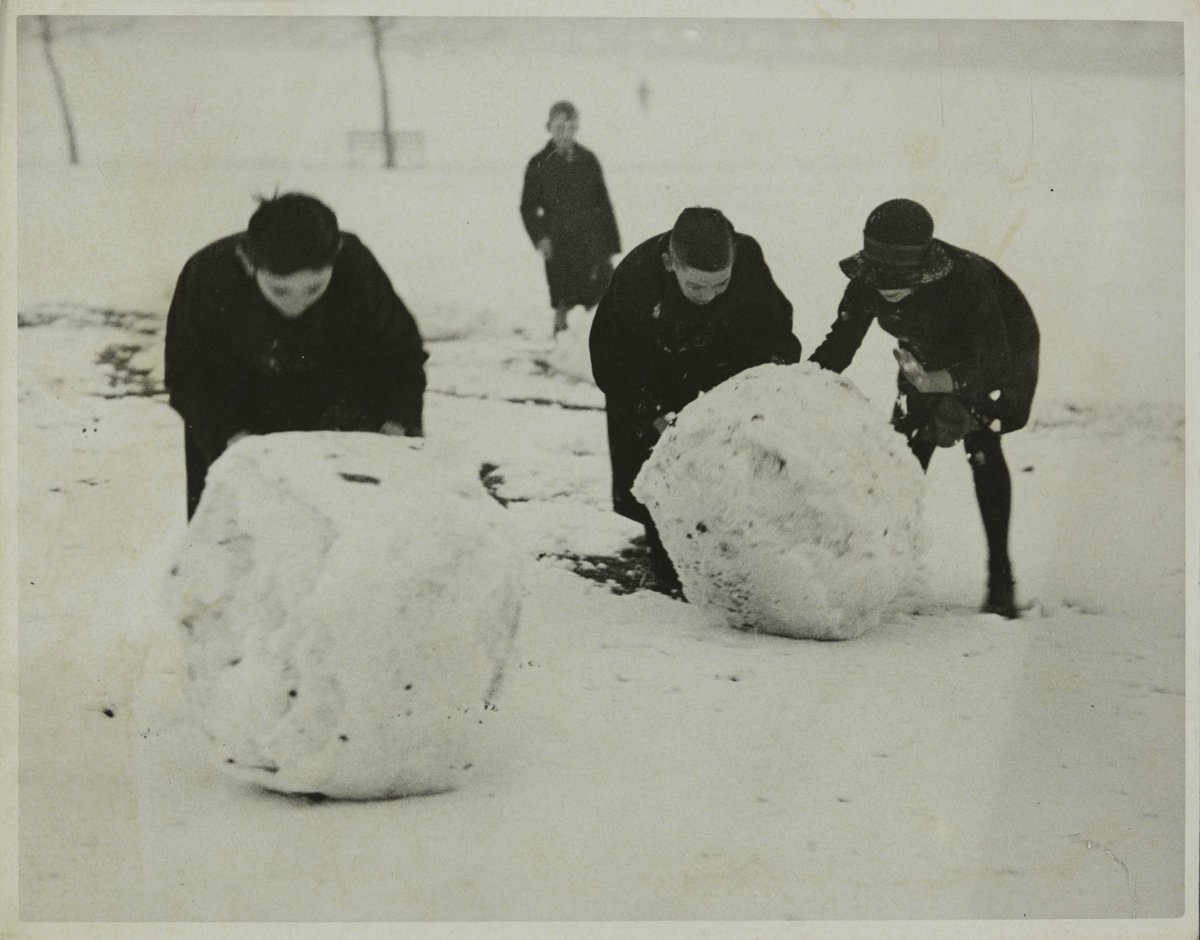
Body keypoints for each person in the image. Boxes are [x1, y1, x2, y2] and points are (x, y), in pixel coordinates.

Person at [809, 198, 1040, 619]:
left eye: (900, 278)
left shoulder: (967, 280)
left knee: (982, 444)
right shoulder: (866, 281)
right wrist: (797, 385)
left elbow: (994, 360)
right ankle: (881, 569)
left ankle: (1001, 577)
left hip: (1000, 347)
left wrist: (942, 384)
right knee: (904, 451)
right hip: (926, 350)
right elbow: (839, 345)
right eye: (879, 277)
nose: (886, 286)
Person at [165, 192, 428, 519]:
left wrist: (397, 423)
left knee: (357, 533)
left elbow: (399, 354)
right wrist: (232, 439)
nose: (296, 304)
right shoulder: (207, 277)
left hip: (340, 418)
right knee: (242, 534)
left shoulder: (356, 267)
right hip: (238, 417)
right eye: (279, 290)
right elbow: (191, 378)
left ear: (336, 258)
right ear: (249, 264)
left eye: (315, 288)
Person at [589, 207, 802, 593]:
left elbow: (774, 328)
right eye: (697, 287)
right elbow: (611, 360)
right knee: (660, 473)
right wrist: (652, 414)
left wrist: (769, 377)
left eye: (720, 286)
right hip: (651, 379)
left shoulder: (747, 257)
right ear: (671, 263)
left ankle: (737, 553)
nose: (709, 296)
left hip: (720, 369)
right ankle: (670, 570)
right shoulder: (637, 277)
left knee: (732, 468)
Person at [520, 100, 621, 336]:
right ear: (549, 127)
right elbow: (527, 207)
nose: (566, 133)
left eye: (571, 127)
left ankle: (602, 344)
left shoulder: (588, 159)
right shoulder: (538, 163)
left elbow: (603, 203)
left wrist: (610, 244)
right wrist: (541, 238)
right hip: (559, 241)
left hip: (592, 239)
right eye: (560, 127)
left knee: (604, 294)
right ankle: (562, 340)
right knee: (563, 299)